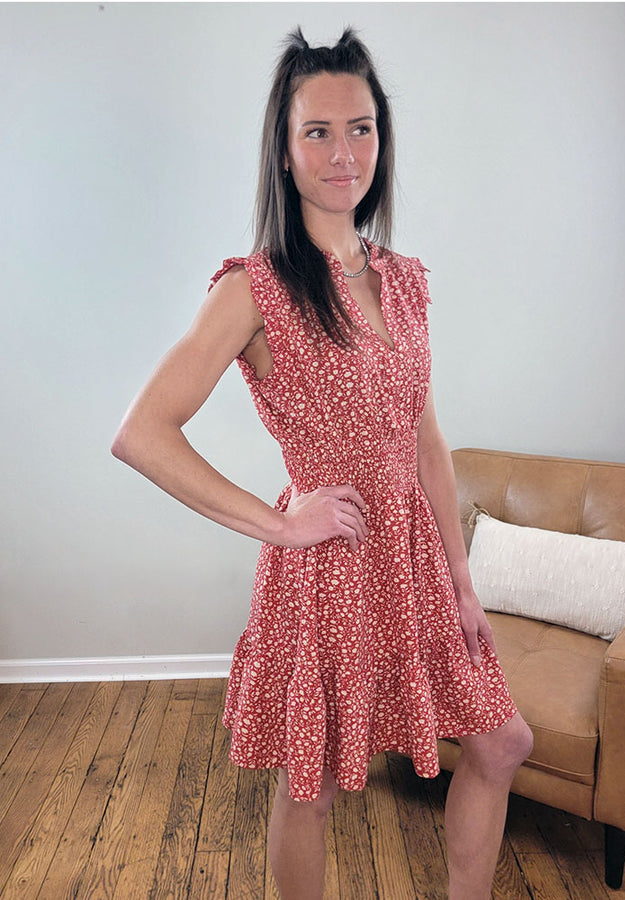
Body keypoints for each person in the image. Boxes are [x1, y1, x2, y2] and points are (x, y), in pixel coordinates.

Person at [112, 27, 533, 900]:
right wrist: (280, 521)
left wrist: (460, 581)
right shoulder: (254, 288)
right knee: (312, 788)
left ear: (383, 137)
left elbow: (422, 437)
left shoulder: (403, 279)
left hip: (413, 558)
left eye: (362, 127)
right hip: (327, 568)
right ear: (284, 146)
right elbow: (143, 432)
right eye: (318, 131)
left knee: (502, 742)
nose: (344, 152)